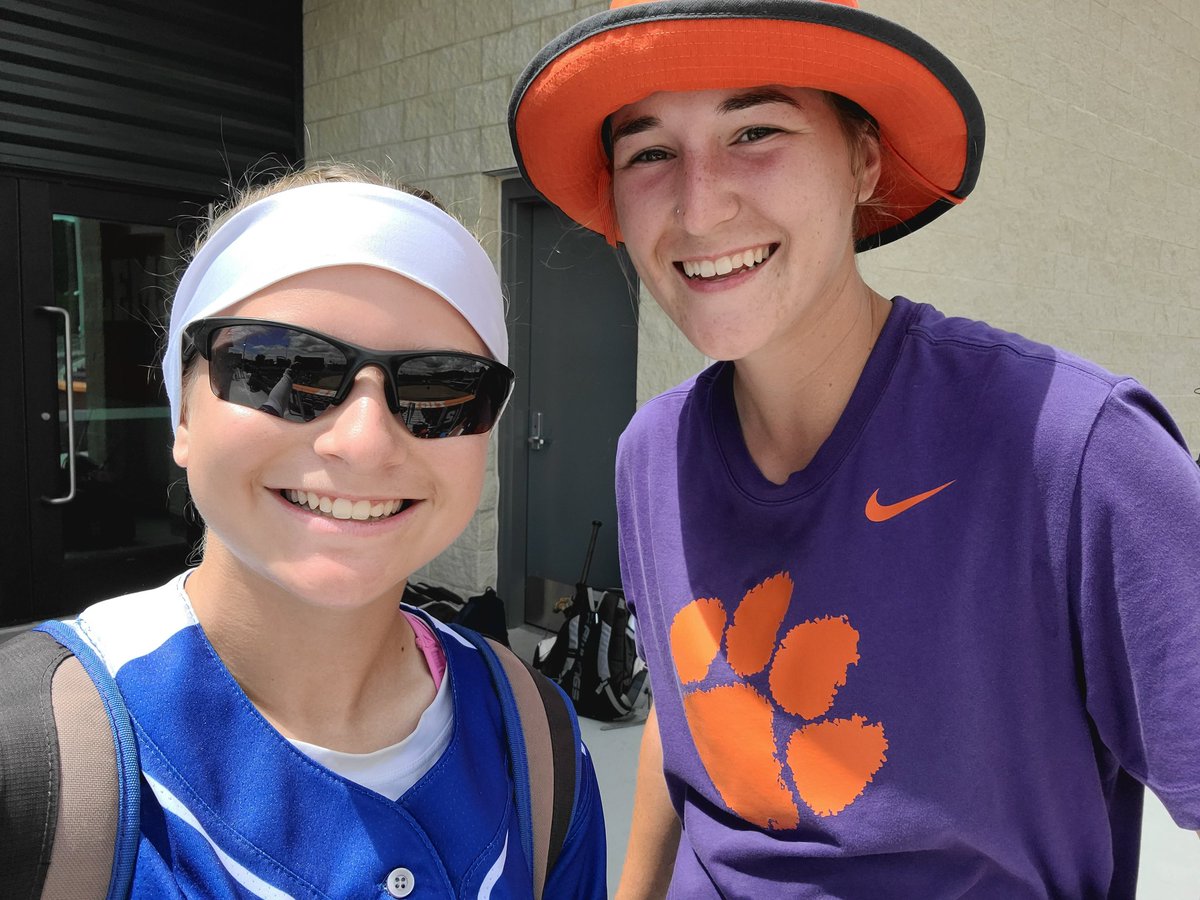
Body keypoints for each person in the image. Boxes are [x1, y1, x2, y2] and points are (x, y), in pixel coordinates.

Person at [508, 1, 1200, 896]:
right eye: (649, 152)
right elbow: (683, 720)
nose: (699, 205)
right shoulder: (653, 451)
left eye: (755, 131)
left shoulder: (1076, 449)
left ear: (863, 161)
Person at [8, 165, 606, 897]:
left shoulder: (537, 739)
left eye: (440, 386)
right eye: (281, 366)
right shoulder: (32, 753)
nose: (364, 442)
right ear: (183, 411)